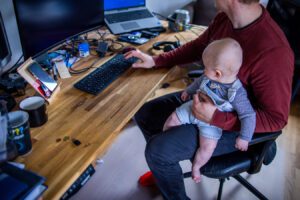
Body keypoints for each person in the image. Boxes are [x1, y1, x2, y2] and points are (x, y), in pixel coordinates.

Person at [124, 0, 294, 199]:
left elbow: (276, 120)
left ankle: (164, 168)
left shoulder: (273, 52)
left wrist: (217, 118)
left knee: (159, 151)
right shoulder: (225, 19)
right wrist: (155, 60)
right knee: (146, 113)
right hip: (207, 99)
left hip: (239, 124)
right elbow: (198, 47)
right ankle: (165, 172)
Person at [163, 38, 256, 183]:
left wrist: (245, 137)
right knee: (171, 120)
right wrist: (189, 90)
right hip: (193, 107)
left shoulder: (236, 93)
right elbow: (198, 82)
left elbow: (248, 115)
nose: (203, 70)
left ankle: (196, 167)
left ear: (217, 73)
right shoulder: (208, 76)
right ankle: (166, 142)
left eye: (205, 67)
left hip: (212, 123)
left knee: (207, 148)